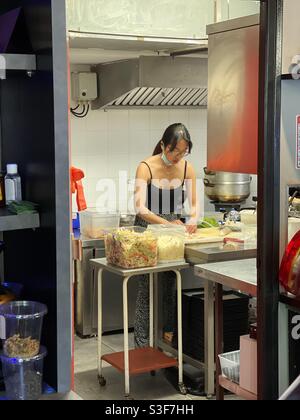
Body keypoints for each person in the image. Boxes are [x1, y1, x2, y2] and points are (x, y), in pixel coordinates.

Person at [134, 123, 199, 348]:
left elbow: (194, 204)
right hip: (147, 232)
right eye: (174, 151)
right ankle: (142, 345)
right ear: (163, 145)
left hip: (171, 234)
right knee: (147, 290)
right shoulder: (146, 167)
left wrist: (192, 220)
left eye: (183, 152)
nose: (178, 156)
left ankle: (167, 342)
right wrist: (167, 225)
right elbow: (141, 208)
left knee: (170, 287)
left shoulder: (187, 167)